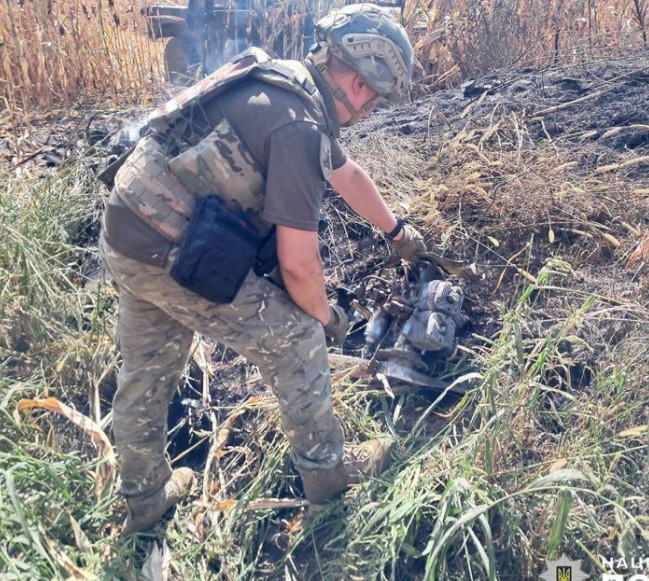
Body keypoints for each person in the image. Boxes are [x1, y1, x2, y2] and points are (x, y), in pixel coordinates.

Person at [99, 3, 428, 534]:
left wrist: (398, 234)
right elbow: (299, 267)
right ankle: (329, 481)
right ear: (360, 81)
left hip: (127, 230)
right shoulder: (299, 128)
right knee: (297, 339)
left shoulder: (278, 79)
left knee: (146, 368)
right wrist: (326, 320)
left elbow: (345, 174)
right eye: (375, 96)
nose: (369, 109)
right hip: (169, 249)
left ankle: (146, 498)